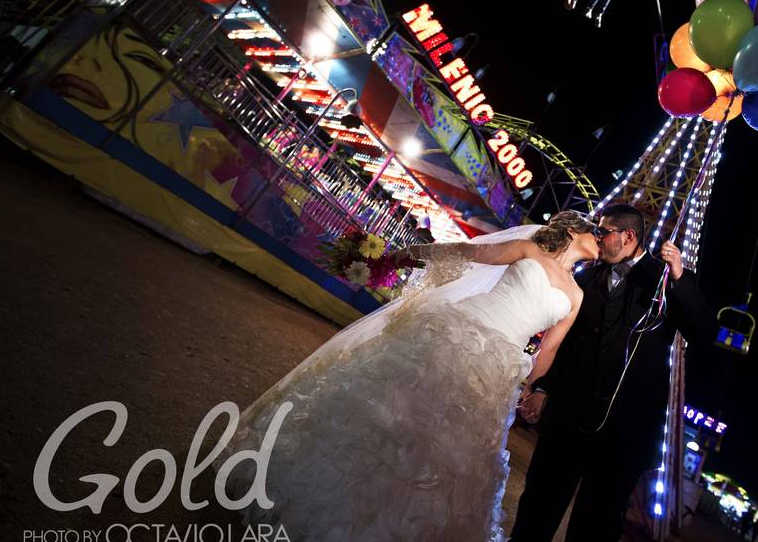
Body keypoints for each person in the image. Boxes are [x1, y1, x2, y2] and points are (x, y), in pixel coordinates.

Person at [216, 212, 600, 541]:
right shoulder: (529, 250)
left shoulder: (578, 295)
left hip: (495, 368)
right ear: (571, 233)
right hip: (456, 332)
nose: (598, 239)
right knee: (392, 413)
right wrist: (406, 255)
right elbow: (468, 253)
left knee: (442, 452)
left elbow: (549, 349)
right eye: (593, 231)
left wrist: (527, 384)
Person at [511, 204, 719, 541]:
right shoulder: (587, 276)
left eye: (603, 231)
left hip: (624, 432)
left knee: (595, 524)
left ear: (628, 236)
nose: (597, 237)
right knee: (537, 506)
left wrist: (680, 275)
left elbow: (705, 332)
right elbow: (565, 342)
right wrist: (542, 388)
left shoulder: (665, 278)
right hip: (568, 418)